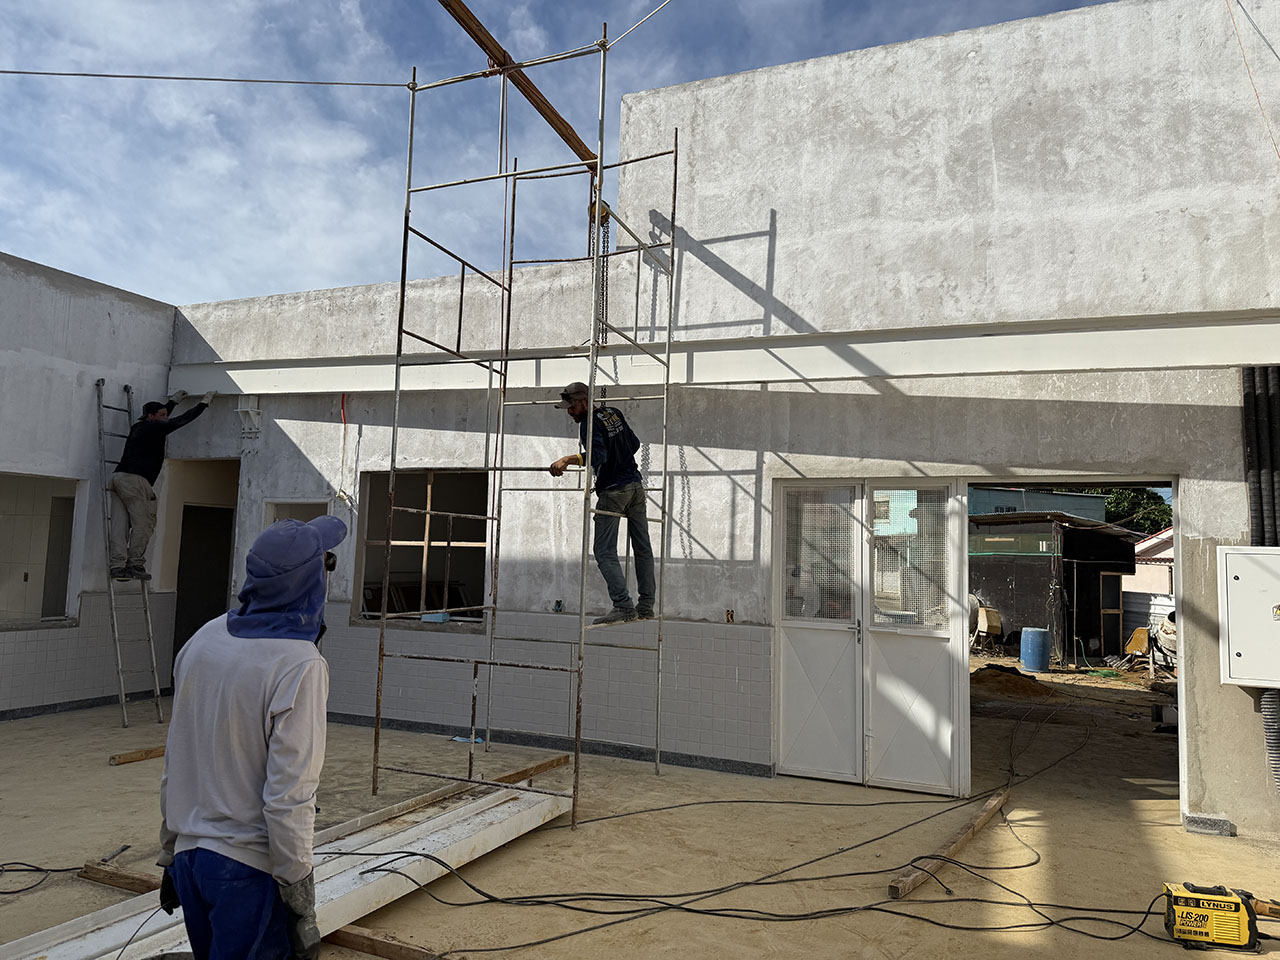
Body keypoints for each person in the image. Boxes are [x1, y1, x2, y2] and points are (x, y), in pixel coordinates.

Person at [156, 515, 347, 960]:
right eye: (326, 564)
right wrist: (299, 891)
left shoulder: (205, 638)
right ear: (309, 583)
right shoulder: (299, 664)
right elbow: (289, 795)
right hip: (247, 870)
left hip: (190, 860)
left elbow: (176, 759)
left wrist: (170, 850)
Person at [549, 381, 655, 624]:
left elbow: (597, 456)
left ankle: (623, 606)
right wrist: (619, 459)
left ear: (584, 402)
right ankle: (646, 606)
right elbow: (634, 444)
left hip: (614, 491)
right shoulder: (613, 413)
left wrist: (569, 459)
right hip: (635, 487)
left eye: (572, 406)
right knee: (642, 548)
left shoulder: (589, 422)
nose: (569, 411)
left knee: (604, 550)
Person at [109, 388, 215, 581]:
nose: (166, 417)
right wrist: (203, 403)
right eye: (162, 415)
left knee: (119, 525)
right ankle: (135, 564)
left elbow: (164, 417)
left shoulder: (140, 426)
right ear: (151, 416)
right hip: (136, 481)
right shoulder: (154, 427)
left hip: (118, 478)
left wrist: (173, 402)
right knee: (144, 524)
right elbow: (179, 421)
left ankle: (117, 566)